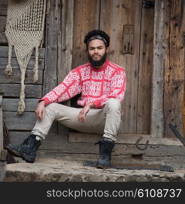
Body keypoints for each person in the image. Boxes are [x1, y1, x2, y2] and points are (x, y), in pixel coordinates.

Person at [6, 29, 127, 168]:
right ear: (88, 50)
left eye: (99, 48)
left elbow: (116, 94)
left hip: (105, 120)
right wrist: (44, 101)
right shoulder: (80, 72)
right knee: (51, 107)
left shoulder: (118, 71)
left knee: (114, 103)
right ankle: (30, 148)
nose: (96, 52)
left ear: (106, 49)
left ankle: (105, 157)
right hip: (83, 118)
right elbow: (63, 89)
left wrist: (92, 104)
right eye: (92, 48)